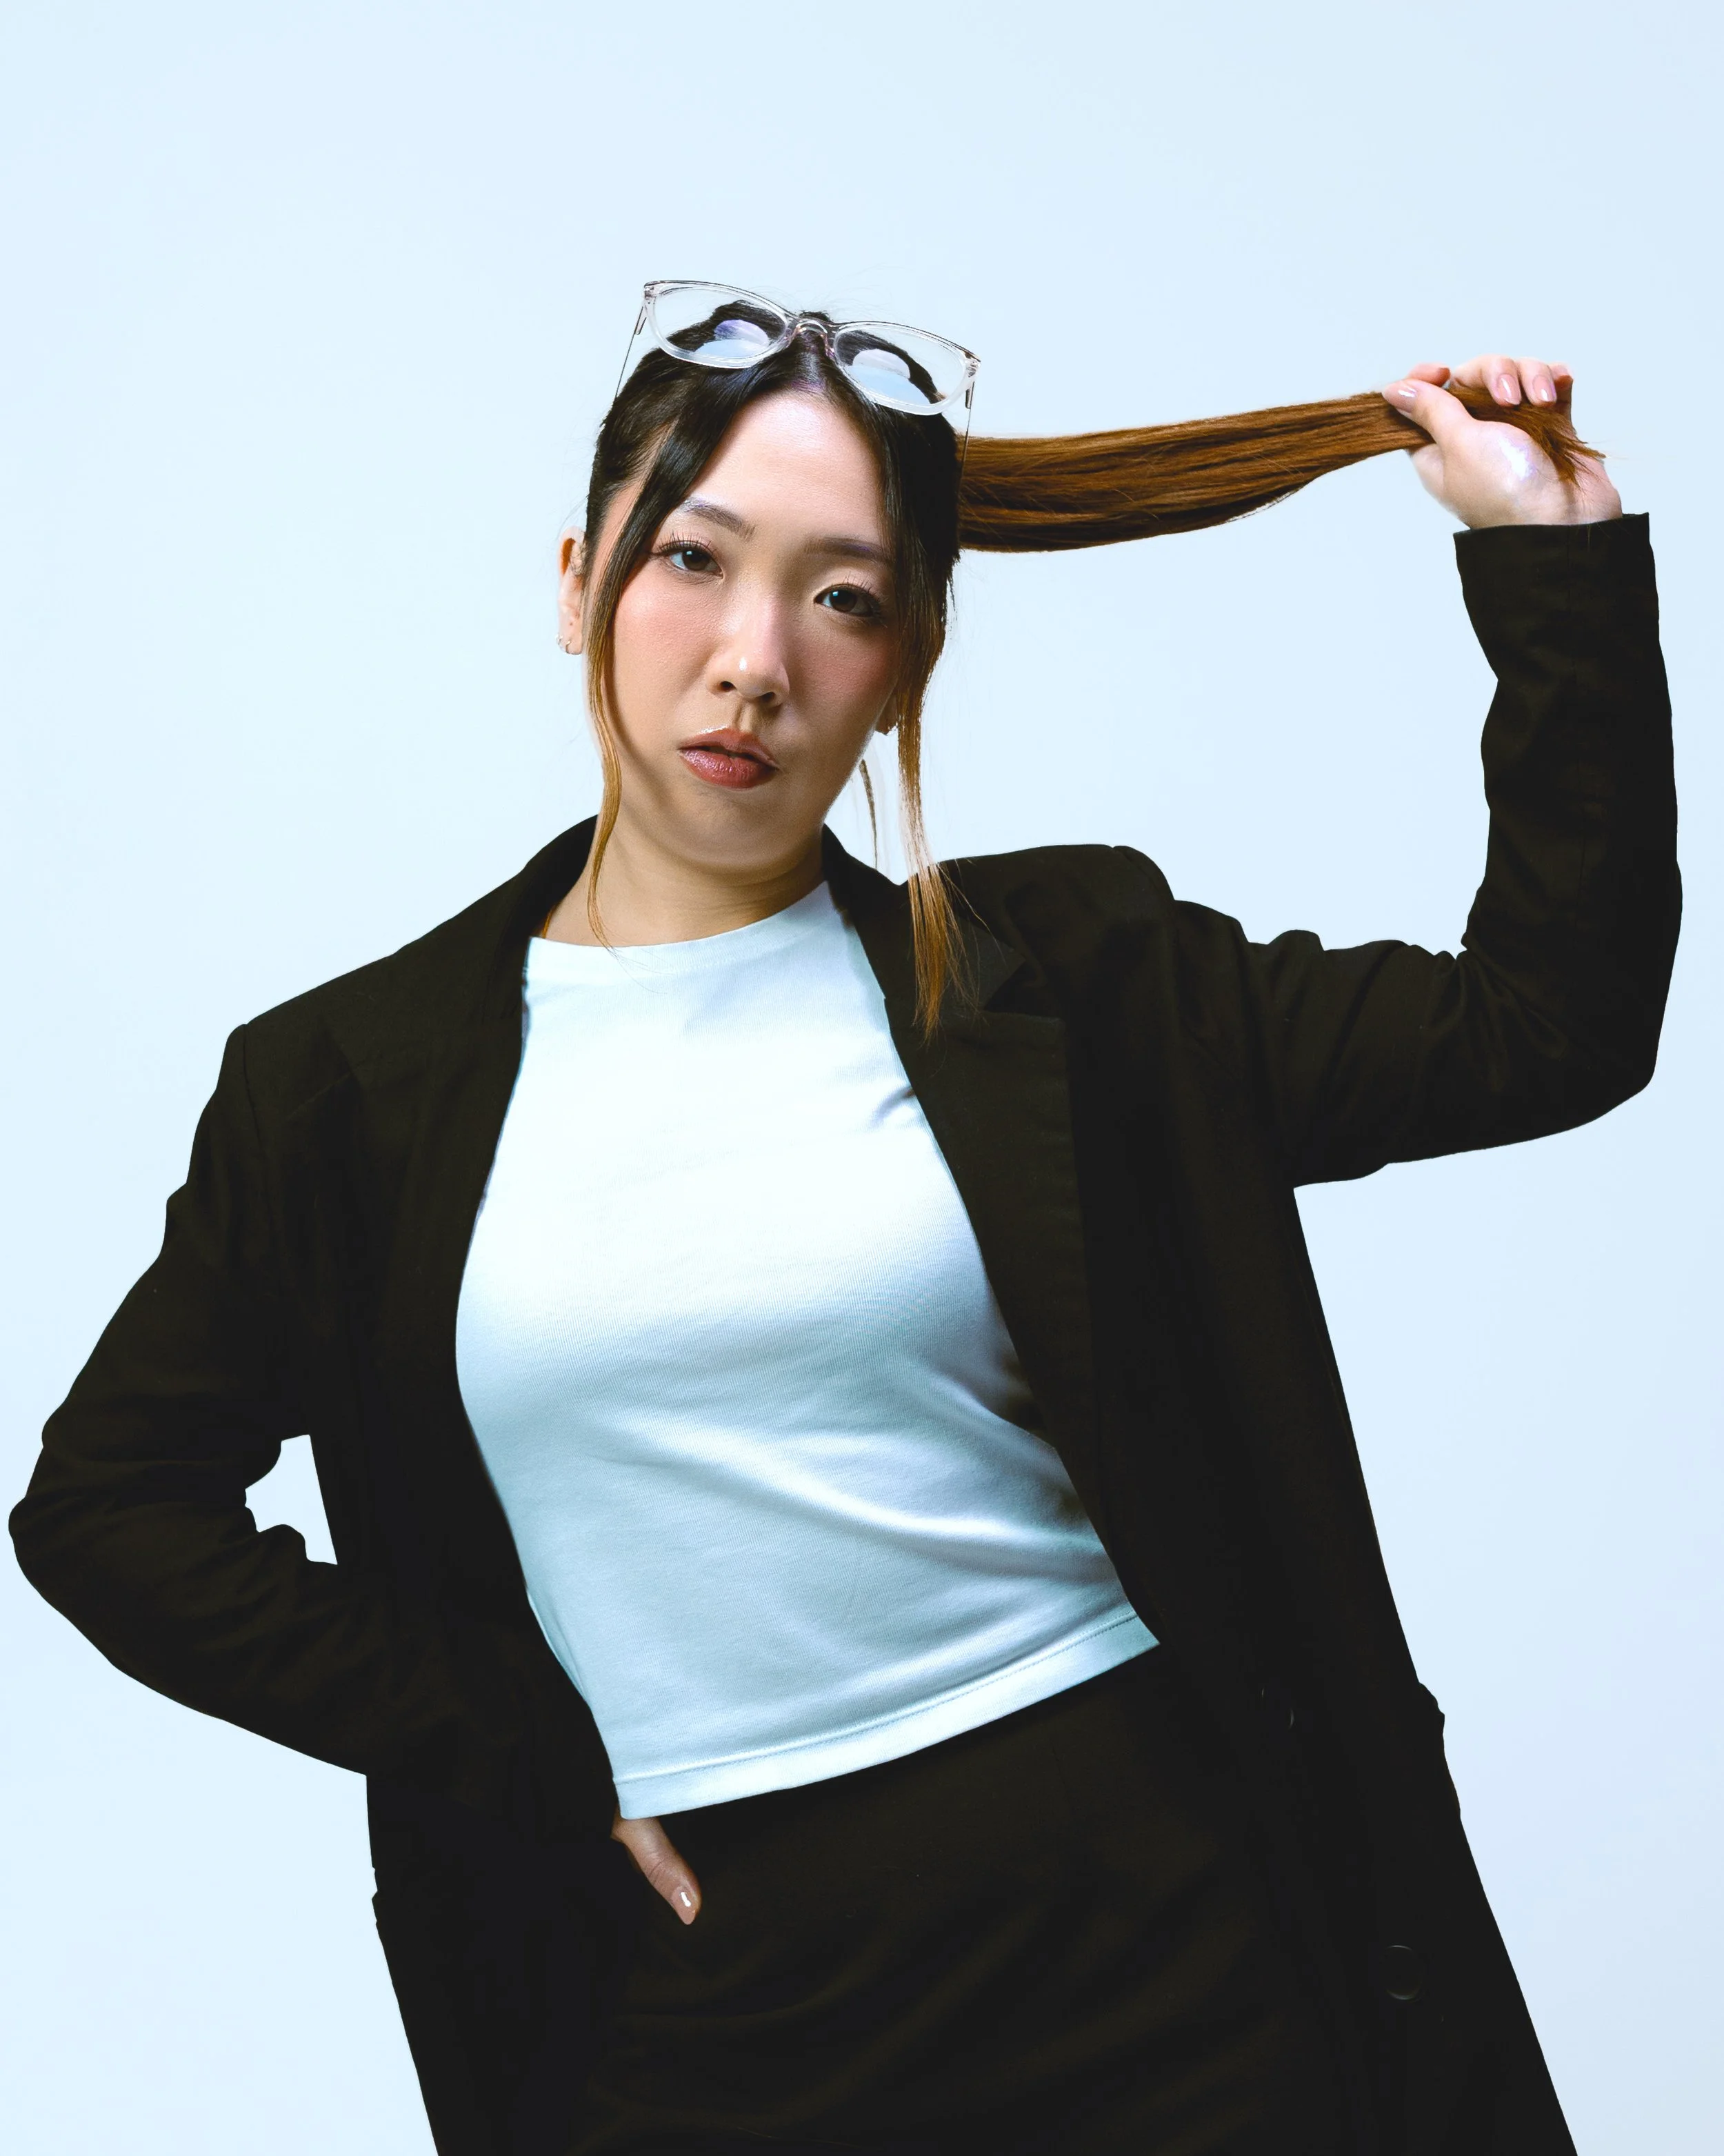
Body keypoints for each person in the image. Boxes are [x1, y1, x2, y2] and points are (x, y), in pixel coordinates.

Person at [10, 281, 1676, 2156]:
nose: (752, 658)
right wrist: (506, 1733)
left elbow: (1545, 1032)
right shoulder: (344, 1089)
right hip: (717, 2002)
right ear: (578, 581)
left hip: (1175, 1956)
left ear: (906, 656)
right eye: (695, 562)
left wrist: (1558, 572)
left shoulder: (1078, 979)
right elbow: (108, 1510)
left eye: (842, 594)